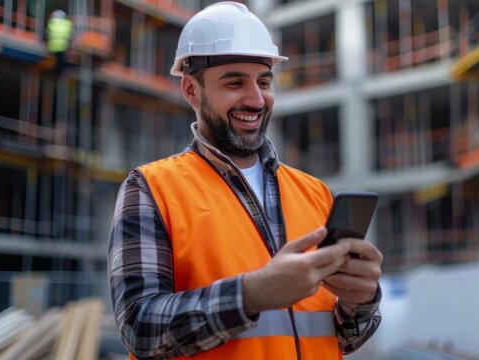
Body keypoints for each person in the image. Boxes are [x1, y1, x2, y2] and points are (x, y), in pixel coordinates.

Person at [107, 2, 383, 359]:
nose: (256, 99)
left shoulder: (314, 193)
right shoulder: (151, 189)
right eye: (235, 82)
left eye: (264, 81)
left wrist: (360, 300)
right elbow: (139, 328)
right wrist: (252, 294)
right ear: (191, 90)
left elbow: (341, 338)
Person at [46, 10, 73, 74]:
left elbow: (47, 35)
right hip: (63, 46)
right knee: (61, 61)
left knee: (54, 60)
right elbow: (70, 36)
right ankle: (58, 71)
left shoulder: (51, 23)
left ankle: (55, 71)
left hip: (52, 47)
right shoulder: (68, 24)